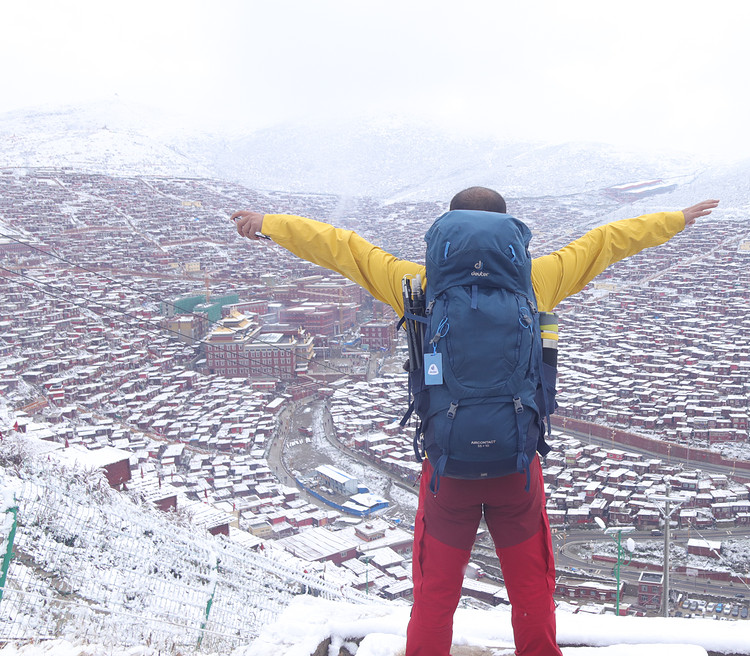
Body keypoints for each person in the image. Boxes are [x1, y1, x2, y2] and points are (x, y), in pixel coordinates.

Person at [232, 188, 717, 656]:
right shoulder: (538, 280)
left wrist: (270, 226)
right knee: (531, 593)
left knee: (435, 597)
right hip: (517, 471)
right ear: (509, 230)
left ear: (446, 231)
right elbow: (607, 241)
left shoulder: (417, 284)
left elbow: (343, 249)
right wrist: (675, 219)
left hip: (447, 473)